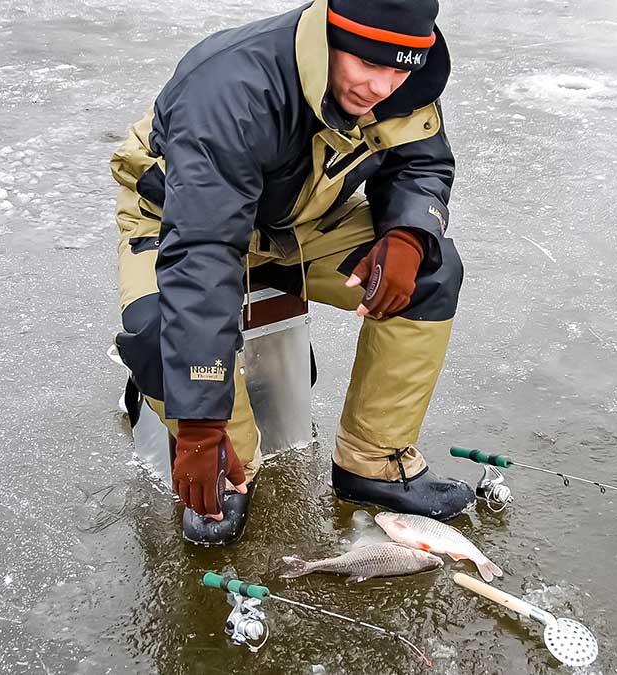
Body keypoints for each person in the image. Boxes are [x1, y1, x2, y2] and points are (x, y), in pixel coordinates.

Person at [109, 0, 473, 545]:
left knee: (429, 273)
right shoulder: (230, 88)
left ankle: (371, 460)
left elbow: (421, 163)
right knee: (164, 328)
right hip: (177, 217)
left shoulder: (401, 81)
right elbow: (203, 252)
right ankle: (233, 470)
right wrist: (201, 425)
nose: (382, 87)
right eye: (369, 64)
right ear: (331, 39)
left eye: (400, 69)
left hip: (299, 219)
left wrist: (408, 232)